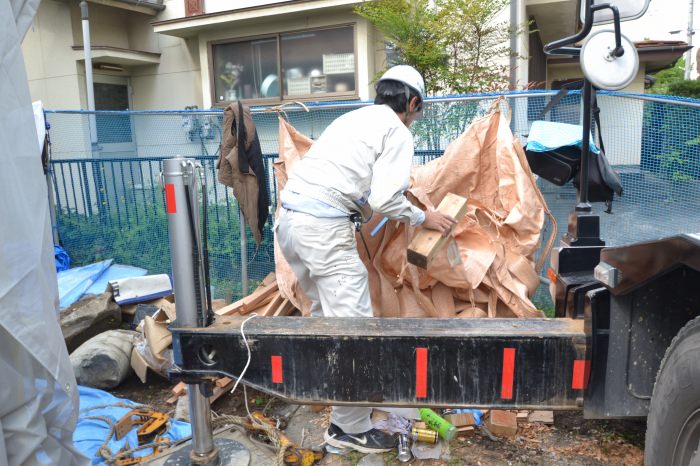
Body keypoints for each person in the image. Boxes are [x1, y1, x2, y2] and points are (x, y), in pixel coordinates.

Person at [275, 65, 457, 453]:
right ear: (412, 102)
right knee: (353, 331)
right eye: (417, 111)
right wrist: (425, 217)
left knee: (327, 321)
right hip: (323, 232)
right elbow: (386, 198)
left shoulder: (353, 119)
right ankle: (348, 430)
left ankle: (339, 397)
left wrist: (359, 203)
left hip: (291, 225)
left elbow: (342, 176)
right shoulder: (396, 129)